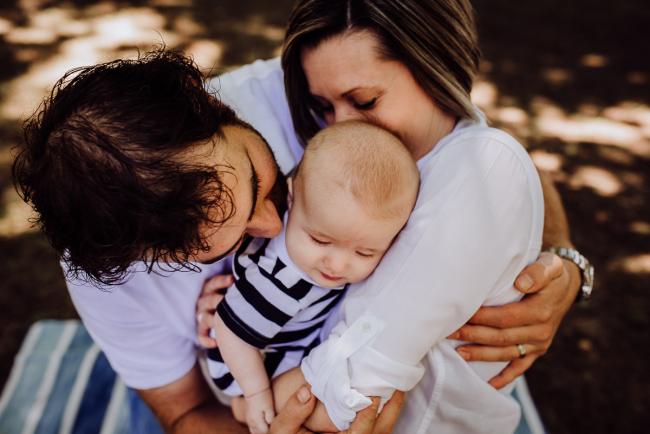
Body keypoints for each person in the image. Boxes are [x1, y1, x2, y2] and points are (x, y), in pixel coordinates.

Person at [11, 1, 590, 432]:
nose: (270, 226)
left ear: (215, 104)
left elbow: (485, 158)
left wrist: (562, 261)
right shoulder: (115, 281)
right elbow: (187, 412)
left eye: (263, 183)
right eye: (221, 246)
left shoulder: (314, 99)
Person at [204, 121, 419, 434]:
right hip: (251, 361)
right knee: (329, 413)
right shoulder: (281, 284)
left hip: (281, 340)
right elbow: (229, 331)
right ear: (292, 199)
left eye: (365, 253)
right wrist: (255, 393)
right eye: (320, 240)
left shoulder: (315, 212)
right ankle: (238, 406)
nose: (338, 264)